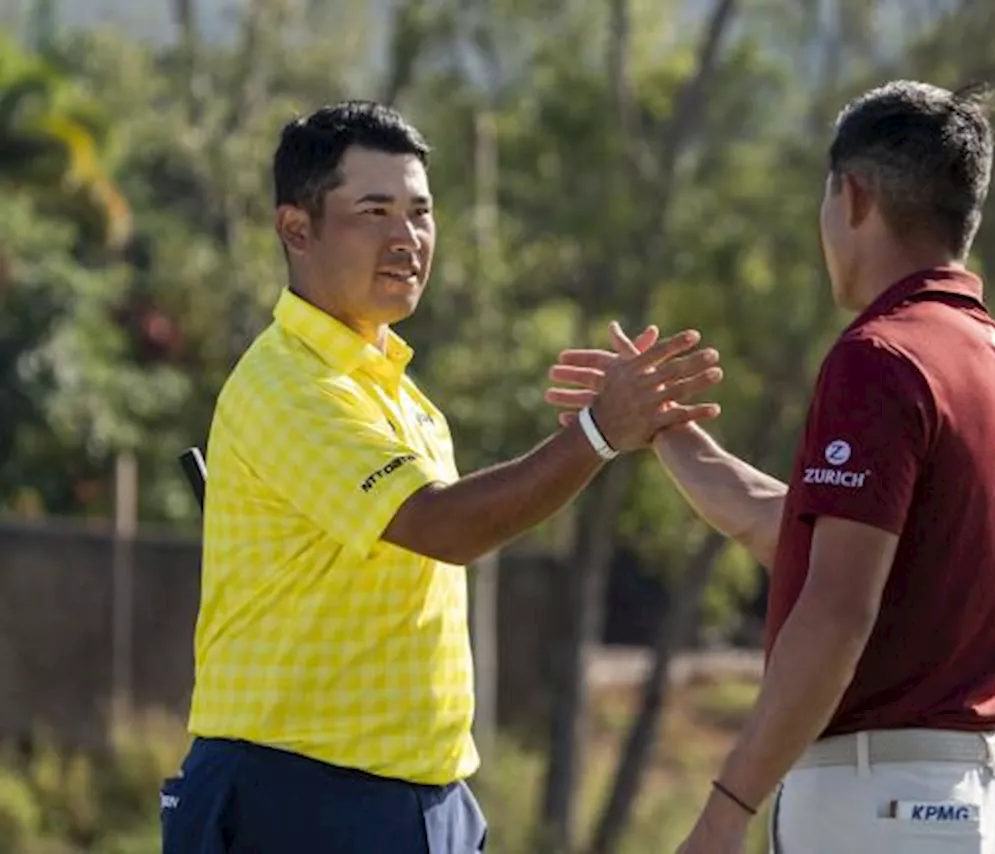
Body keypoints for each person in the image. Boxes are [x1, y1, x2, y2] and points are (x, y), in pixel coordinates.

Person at [159, 100, 724, 854]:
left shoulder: (402, 396)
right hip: (297, 794)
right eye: (374, 211)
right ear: (297, 229)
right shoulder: (289, 385)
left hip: (423, 800)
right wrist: (597, 433)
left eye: (421, 213)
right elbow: (445, 525)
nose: (408, 238)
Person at [546, 80, 995, 853]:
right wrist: (667, 432)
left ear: (854, 196)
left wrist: (725, 810)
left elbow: (836, 610)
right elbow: (801, 534)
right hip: (990, 800)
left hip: (886, 809)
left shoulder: (879, 358)